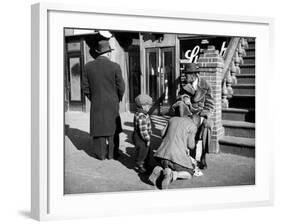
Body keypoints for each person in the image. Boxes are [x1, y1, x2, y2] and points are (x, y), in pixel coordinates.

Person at [82, 40, 125, 160]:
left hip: (97, 102)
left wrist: (94, 98)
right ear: (109, 53)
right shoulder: (115, 66)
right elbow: (121, 86)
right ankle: (112, 154)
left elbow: (85, 88)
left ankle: (100, 154)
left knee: (99, 128)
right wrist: (118, 98)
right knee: (113, 128)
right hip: (112, 102)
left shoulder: (88, 67)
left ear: (98, 52)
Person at [178, 63, 214, 169]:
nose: (185, 77)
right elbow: (179, 97)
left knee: (208, 127)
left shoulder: (205, 85)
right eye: (184, 74)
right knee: (190, 124)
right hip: (189, 113)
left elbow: (210, 104)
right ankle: (191, 155)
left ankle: (203, 156)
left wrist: (205, 114)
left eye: (187, 74)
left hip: (201, 113)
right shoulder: (184, 85)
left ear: (193, 75)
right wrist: (183, 98)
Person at [149, 115, 199, 189]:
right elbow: (191, 145)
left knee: (166, 165)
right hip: (175, 159)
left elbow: (162, 134)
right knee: (190, 173)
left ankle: (160, 169)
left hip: (161, 156)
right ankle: (172, 174)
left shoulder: (172, 119)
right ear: (196, 122)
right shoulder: (193, 126)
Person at [132, 94, 153, 173]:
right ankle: (140, 165)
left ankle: (146, 163)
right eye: (149, 106)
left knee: (145, 150)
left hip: (140, 136)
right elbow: (143, 130)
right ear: (143, 106)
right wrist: (147, 139)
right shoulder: (142, 116)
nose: (150, 107)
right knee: (142, 151)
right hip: (141, 138)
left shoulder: (141, 113)